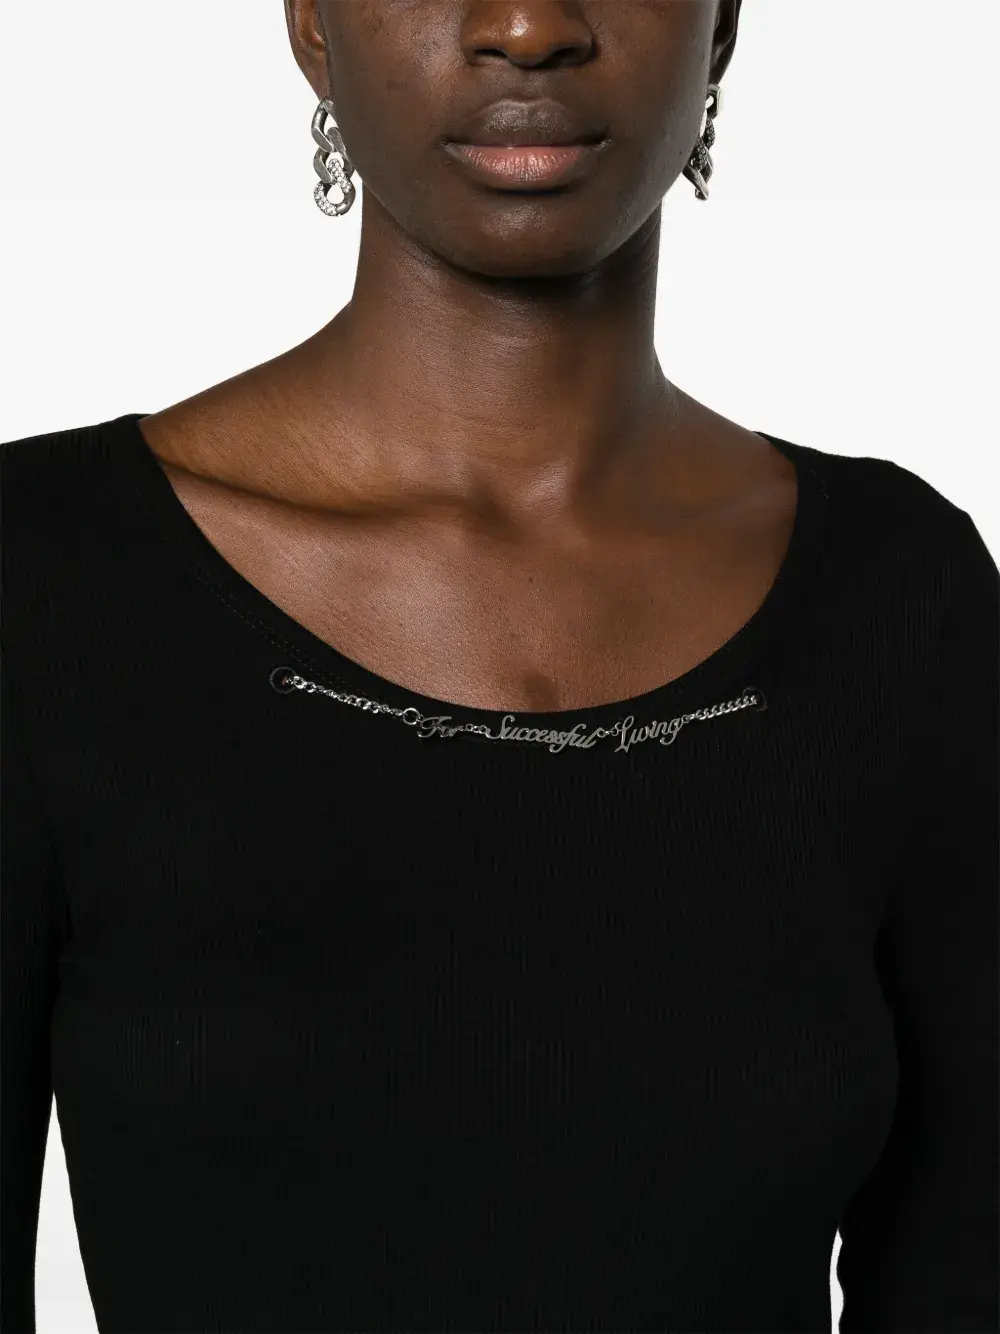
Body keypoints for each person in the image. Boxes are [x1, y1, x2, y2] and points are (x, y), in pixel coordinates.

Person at [2, 2, 997, 1331]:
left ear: (722, 26)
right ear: (311, 23)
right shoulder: (45, 578)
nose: (526, 27)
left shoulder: (901, 598)